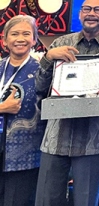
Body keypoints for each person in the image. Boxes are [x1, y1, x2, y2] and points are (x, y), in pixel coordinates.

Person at [34, 0, 99, 206]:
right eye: (87, 9)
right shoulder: (61, 43)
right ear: (79, 14)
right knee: (46, 201)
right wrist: (48, 58)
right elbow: (40, 87)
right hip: (56, 137)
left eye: (98, 10)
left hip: (93, 139)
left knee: (85, 202)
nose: (91, 14)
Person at [0, 15, 46, 206]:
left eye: (26, 34)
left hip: (25, 155)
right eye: (14, 34)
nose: (20, 38)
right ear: (5, 40)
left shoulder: (43, 72)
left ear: (34, 40)